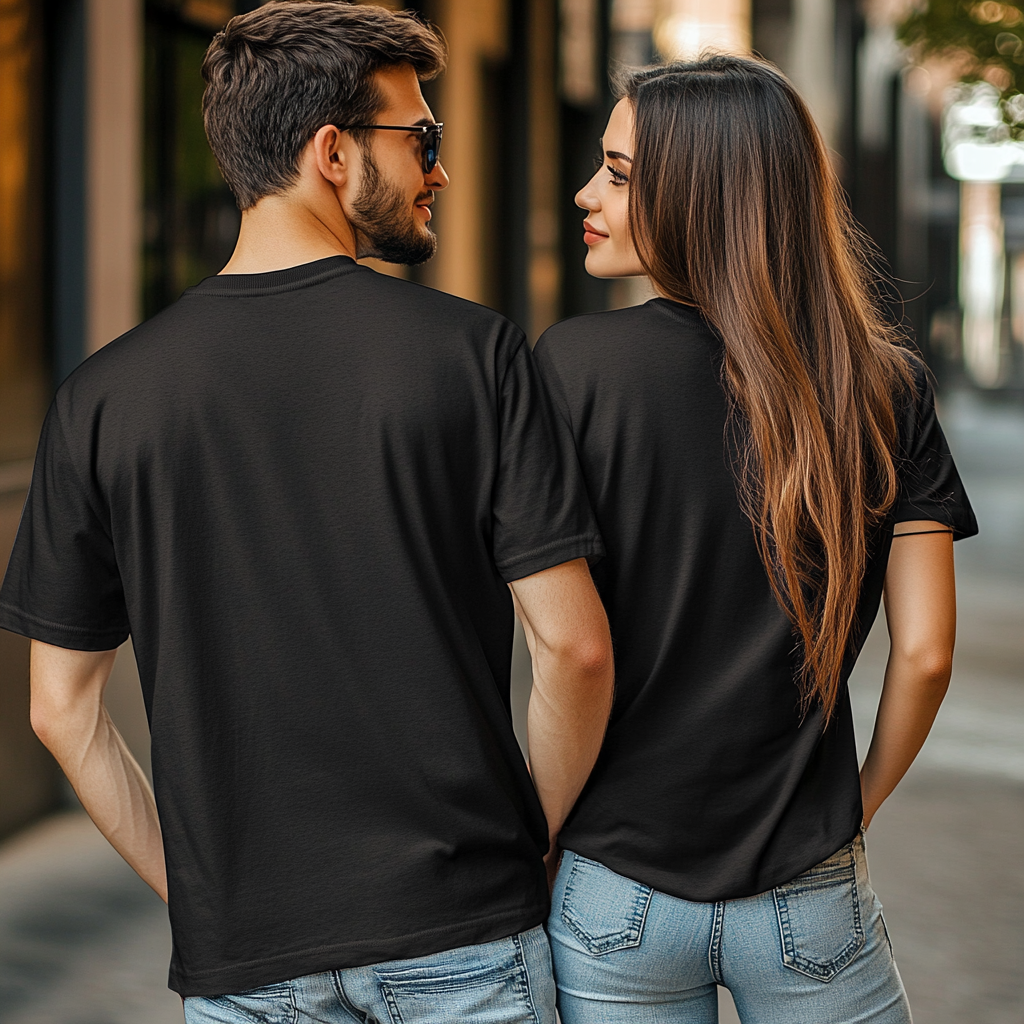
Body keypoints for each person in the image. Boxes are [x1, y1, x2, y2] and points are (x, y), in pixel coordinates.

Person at [0, 4, 615, 1021]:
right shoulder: (473, 355)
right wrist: (526, 845)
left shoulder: (106, 397)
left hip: (246, 964)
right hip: (458, 932)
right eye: (422, 138)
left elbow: (59, 710)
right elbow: (576, 651)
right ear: (332, 152)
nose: (442, 170)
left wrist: (204, 897)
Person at [532, 55, 977, 1024]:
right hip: (807, 885)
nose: (585, 191)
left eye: (616, 171)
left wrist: (540, 832)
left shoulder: (570, 368)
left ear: (701, 190)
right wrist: (850, 810)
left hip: (616, 886)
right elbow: (928, 653)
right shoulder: (881, 385)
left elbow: (564, 650)